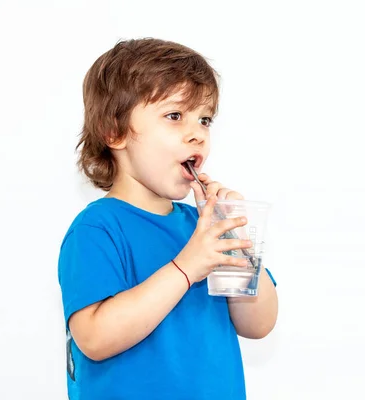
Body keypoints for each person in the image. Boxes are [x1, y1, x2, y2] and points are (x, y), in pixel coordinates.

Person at [57, 37, 278, 400]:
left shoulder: (204, 228)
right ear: (115, 131)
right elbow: (94, 338)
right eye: (175, 116)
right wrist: (186, 268)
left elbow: (259, 325)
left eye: (204, 120)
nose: (197, 134)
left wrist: (237, 246)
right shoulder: (97, 230)